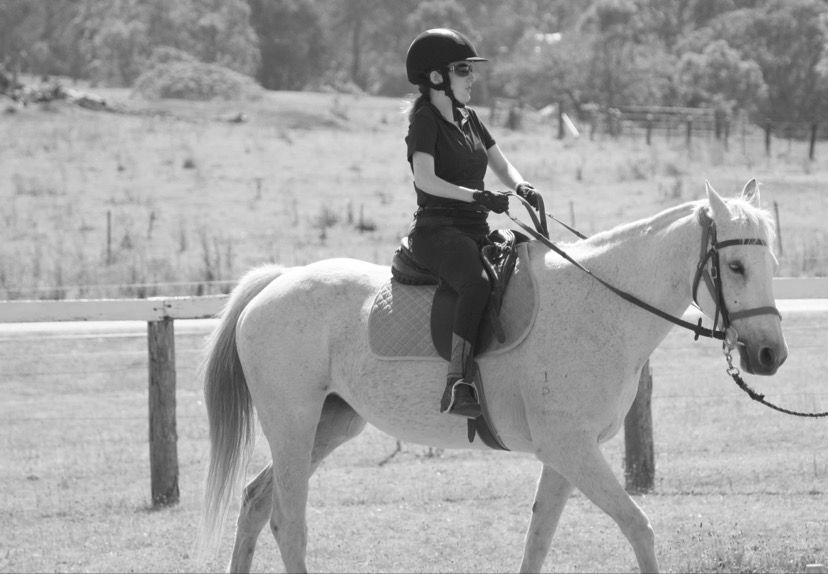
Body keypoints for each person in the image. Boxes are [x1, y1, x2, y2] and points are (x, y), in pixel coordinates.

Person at [403, 28, 539, 418]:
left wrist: (522, 186)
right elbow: (425, 180)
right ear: (436, 78)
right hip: (437, 230)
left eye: (470, 70)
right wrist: (477, 196)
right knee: (476, 283)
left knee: (529, 257)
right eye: (463, 70)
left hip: (475, 227)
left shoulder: (469, 118)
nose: (471, 77)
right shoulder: (425, 122)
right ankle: (458, 381)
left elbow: (501, 163)